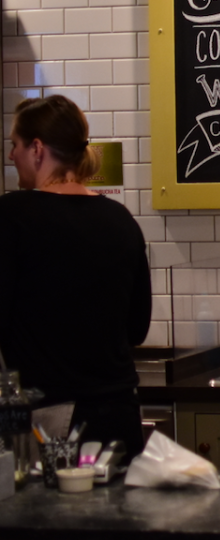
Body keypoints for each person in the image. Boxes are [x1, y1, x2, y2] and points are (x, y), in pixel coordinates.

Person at [1, 95, 151, 455]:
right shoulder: (120, 219)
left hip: (52, 424)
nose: (11, 155)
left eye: (15, 144)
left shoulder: (11, 216)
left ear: (37, 149)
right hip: (121, 416)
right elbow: (137, 329)